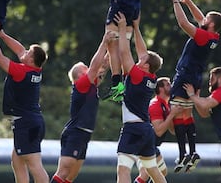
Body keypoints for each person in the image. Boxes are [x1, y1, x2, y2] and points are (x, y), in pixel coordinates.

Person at [167, 0, 221, 173]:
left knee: (176, 111)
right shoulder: (214, 37)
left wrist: (176, 0)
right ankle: (191, 152)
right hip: (195, 76)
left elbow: (184, 24)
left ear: (211, 25)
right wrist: (189, 1)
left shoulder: (202, 37)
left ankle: (183, 152)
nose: (203, 18)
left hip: (185, 73)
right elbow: (201, 17)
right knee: (186, 113)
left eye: (207, 18)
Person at [0, 23, 49, 183]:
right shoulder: (34, 69)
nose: (25, 52)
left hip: (26, 124)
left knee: (34, 165)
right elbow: (20, 49)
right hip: (32, 122)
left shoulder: (21, 71)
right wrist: (2, 34)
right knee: (17, 161)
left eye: (29, 52)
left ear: (31, 60)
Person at [51, 32, 111, 183]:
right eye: (86, 68)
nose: (90, 70)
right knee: (64, 171)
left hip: (83, 134)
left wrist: (114, 44)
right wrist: (104, 42)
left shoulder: (91, 85)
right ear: (80, 75)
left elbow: (104, 64)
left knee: (71, 176)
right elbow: (96, 66)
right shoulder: (80, 85)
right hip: (76, 132)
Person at [113, 12, 166, 183]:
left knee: (123, 170)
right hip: (146, 131)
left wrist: (122, 29)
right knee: (154, 172)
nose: (139, 58)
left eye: (142, 59)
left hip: (133, 129)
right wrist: (136, 28)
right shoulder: (150, 77)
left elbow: (124, 51)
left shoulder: (137, 75)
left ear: (145, 65)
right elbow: (143, 52)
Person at [134, 77, 183, 183]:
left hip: (152, 145)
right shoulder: (156, 105)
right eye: (168, 84)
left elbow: (172, 131)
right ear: (160, 89)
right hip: (144, 143)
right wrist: (172, 114)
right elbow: (158, 131)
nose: (171, 86)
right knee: (146, 174)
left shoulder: (166, 105)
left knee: (162, 172)